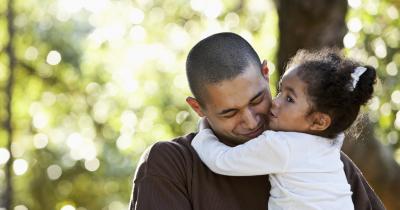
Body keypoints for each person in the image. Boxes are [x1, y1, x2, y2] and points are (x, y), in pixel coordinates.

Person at [129, 32, 385, 210]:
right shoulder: (172, 164)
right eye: (229, 113)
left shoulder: (325, 162)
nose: (251, 122)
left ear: (266, 74)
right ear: (198, 108)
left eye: (257, 100)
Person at [191, 49, 376, 210]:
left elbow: (221, 161)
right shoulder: (331, 145)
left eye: (289, 99)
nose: (276, 102)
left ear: (319, 122)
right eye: (280, 91)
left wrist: (204, 131)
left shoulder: (280, 146)